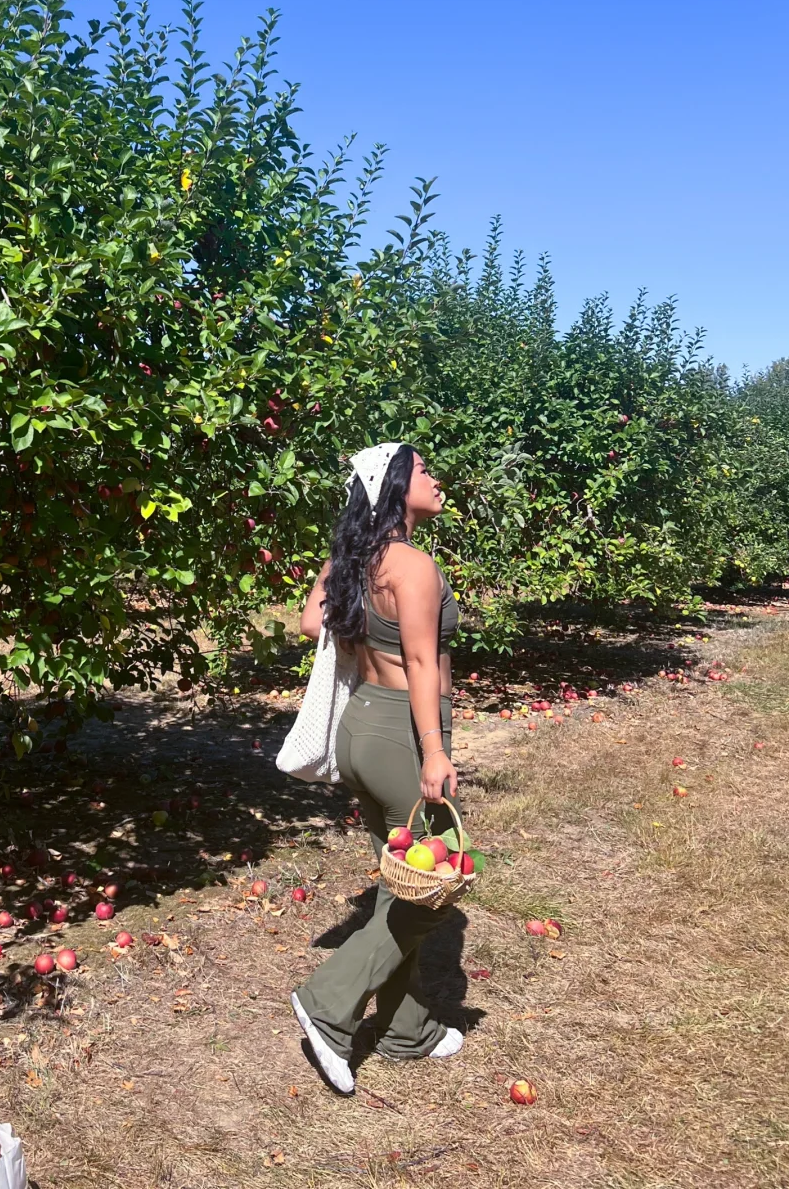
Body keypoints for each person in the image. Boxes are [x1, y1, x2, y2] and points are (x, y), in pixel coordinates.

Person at [290, 441, 463, 1094]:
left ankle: (404, 1028)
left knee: (403, 883)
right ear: (394, 486)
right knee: (438, 883)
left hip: (361, 724)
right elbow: (422, 665)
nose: (436, 478)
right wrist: (435, 749)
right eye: (422, 470)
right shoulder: (413, 566)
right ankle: (328, 1003)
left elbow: (311, 623)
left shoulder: (356, 559)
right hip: (401, 732)